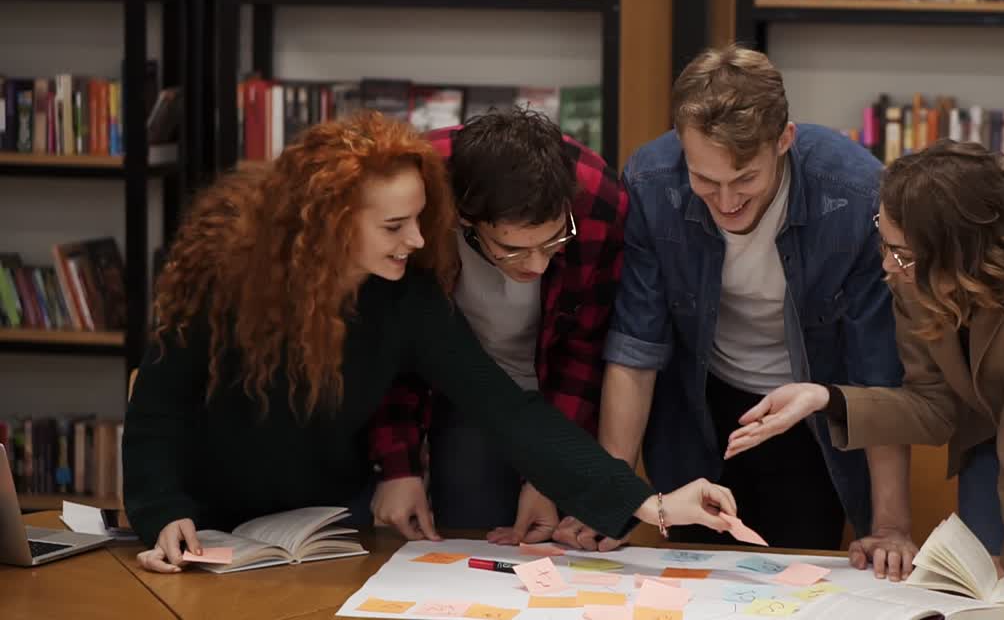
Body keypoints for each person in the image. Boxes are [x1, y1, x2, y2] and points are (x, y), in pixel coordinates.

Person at [123, 111, 736, 573]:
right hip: (199, 524)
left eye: (419, 219)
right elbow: (157, 409)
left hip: (319, 524)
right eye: (394, 226)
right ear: (333, 222)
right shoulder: (226, 274)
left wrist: (652, 506)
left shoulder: (404, 296)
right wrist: (161, 510)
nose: (419, 241)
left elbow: (506, 410)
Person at [725, 140, 1004, 575]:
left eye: (902, 255)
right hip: (994, 445)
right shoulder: (910, 268)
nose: (888, 267)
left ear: (961, 253)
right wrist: (824, 398)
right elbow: (933, 407)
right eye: (885, 241)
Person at [588, 44, 917, 580]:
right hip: (695, 403)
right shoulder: (652, 181)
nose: (725, 201)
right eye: (705, 180)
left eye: (745, 179)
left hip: (807, 412)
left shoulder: (855, 195)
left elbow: (876, 371)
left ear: (785, 140)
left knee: (791, 581)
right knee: (694, 577)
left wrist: (891, 525)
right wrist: (608, 496)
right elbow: (634, 350)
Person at [368, 107, 628, 549]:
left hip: (554, 392)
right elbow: (393, 343)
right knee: (469, 530)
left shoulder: (600, 200)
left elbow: (583, 351)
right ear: (464, 219)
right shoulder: (416, 191)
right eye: (512, 249)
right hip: (462, 383)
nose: (538, 264)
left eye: (554, 242)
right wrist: (400, 465)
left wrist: (548, 475)